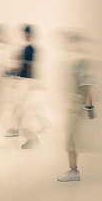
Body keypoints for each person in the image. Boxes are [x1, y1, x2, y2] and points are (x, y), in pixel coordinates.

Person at [56, 31, 97, 182]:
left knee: (70, 138)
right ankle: (73, 170)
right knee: (70, 137)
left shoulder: (82, 62)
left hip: (76, 105)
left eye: (72, 42)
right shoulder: (74, 62)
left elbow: (88, 85)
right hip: (72, 104)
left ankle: (74, 171)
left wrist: (87, 107)